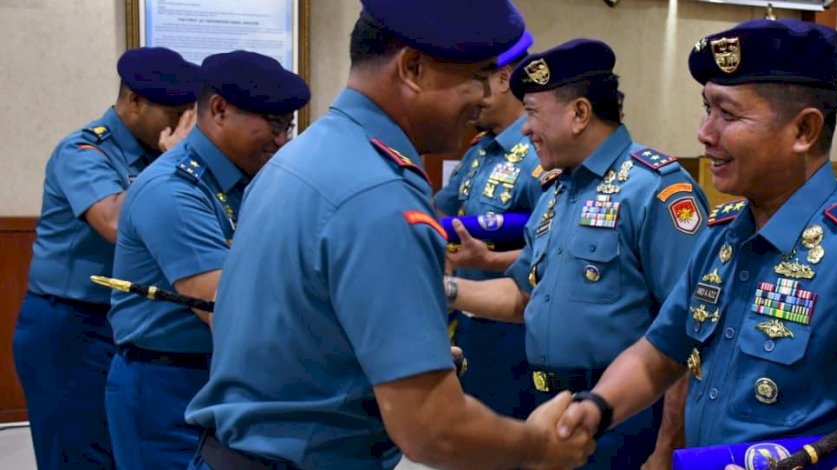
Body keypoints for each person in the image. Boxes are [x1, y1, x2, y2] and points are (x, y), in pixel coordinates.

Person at [555, 20, 837, 470]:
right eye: (706, 109)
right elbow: (661, 352)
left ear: (803, 130)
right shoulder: (721, 235)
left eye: (727, 114)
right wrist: (597, 408)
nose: (704, 132)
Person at [184, 2, 594, 469]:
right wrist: (538, 446)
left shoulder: (300, 159)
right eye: (476, 76)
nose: (484, 96)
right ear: (412, 68)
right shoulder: (380, 195)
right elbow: (432, 430)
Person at [448, 38, 708, 469]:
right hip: (547, 405)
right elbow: (524, 296)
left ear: (580, 113)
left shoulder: (655, 189)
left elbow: (686, 332)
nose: (525, 128)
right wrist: (446, 290)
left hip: (625, 420)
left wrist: (667, 449)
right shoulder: (558, 190)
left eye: (532, 113)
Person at [105, 50, 309, 470]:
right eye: (272, 125)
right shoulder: (173, 189)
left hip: (225, 377)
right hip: (167, 383)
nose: (281, 140)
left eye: (287, 126)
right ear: (218, 110)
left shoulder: (249, 181)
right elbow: (225, 308)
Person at [12, 46, 199, 470]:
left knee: (126, 453)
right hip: (70, 324)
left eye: (191, 111)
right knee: (77, 454)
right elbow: (115, 222)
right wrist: (173, 162)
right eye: (175, 111)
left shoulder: (160, 154)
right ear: (134, 101)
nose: (184, 124)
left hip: (131, 328)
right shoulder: (83, 151)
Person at [432, 30, 543, 421]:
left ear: (505, 78)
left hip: (515, 330)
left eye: (479, 80)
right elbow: (440, 214)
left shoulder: (540, 154)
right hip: (468, 324)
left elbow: (551, 246)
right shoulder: (480, 150)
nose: (472, 95)